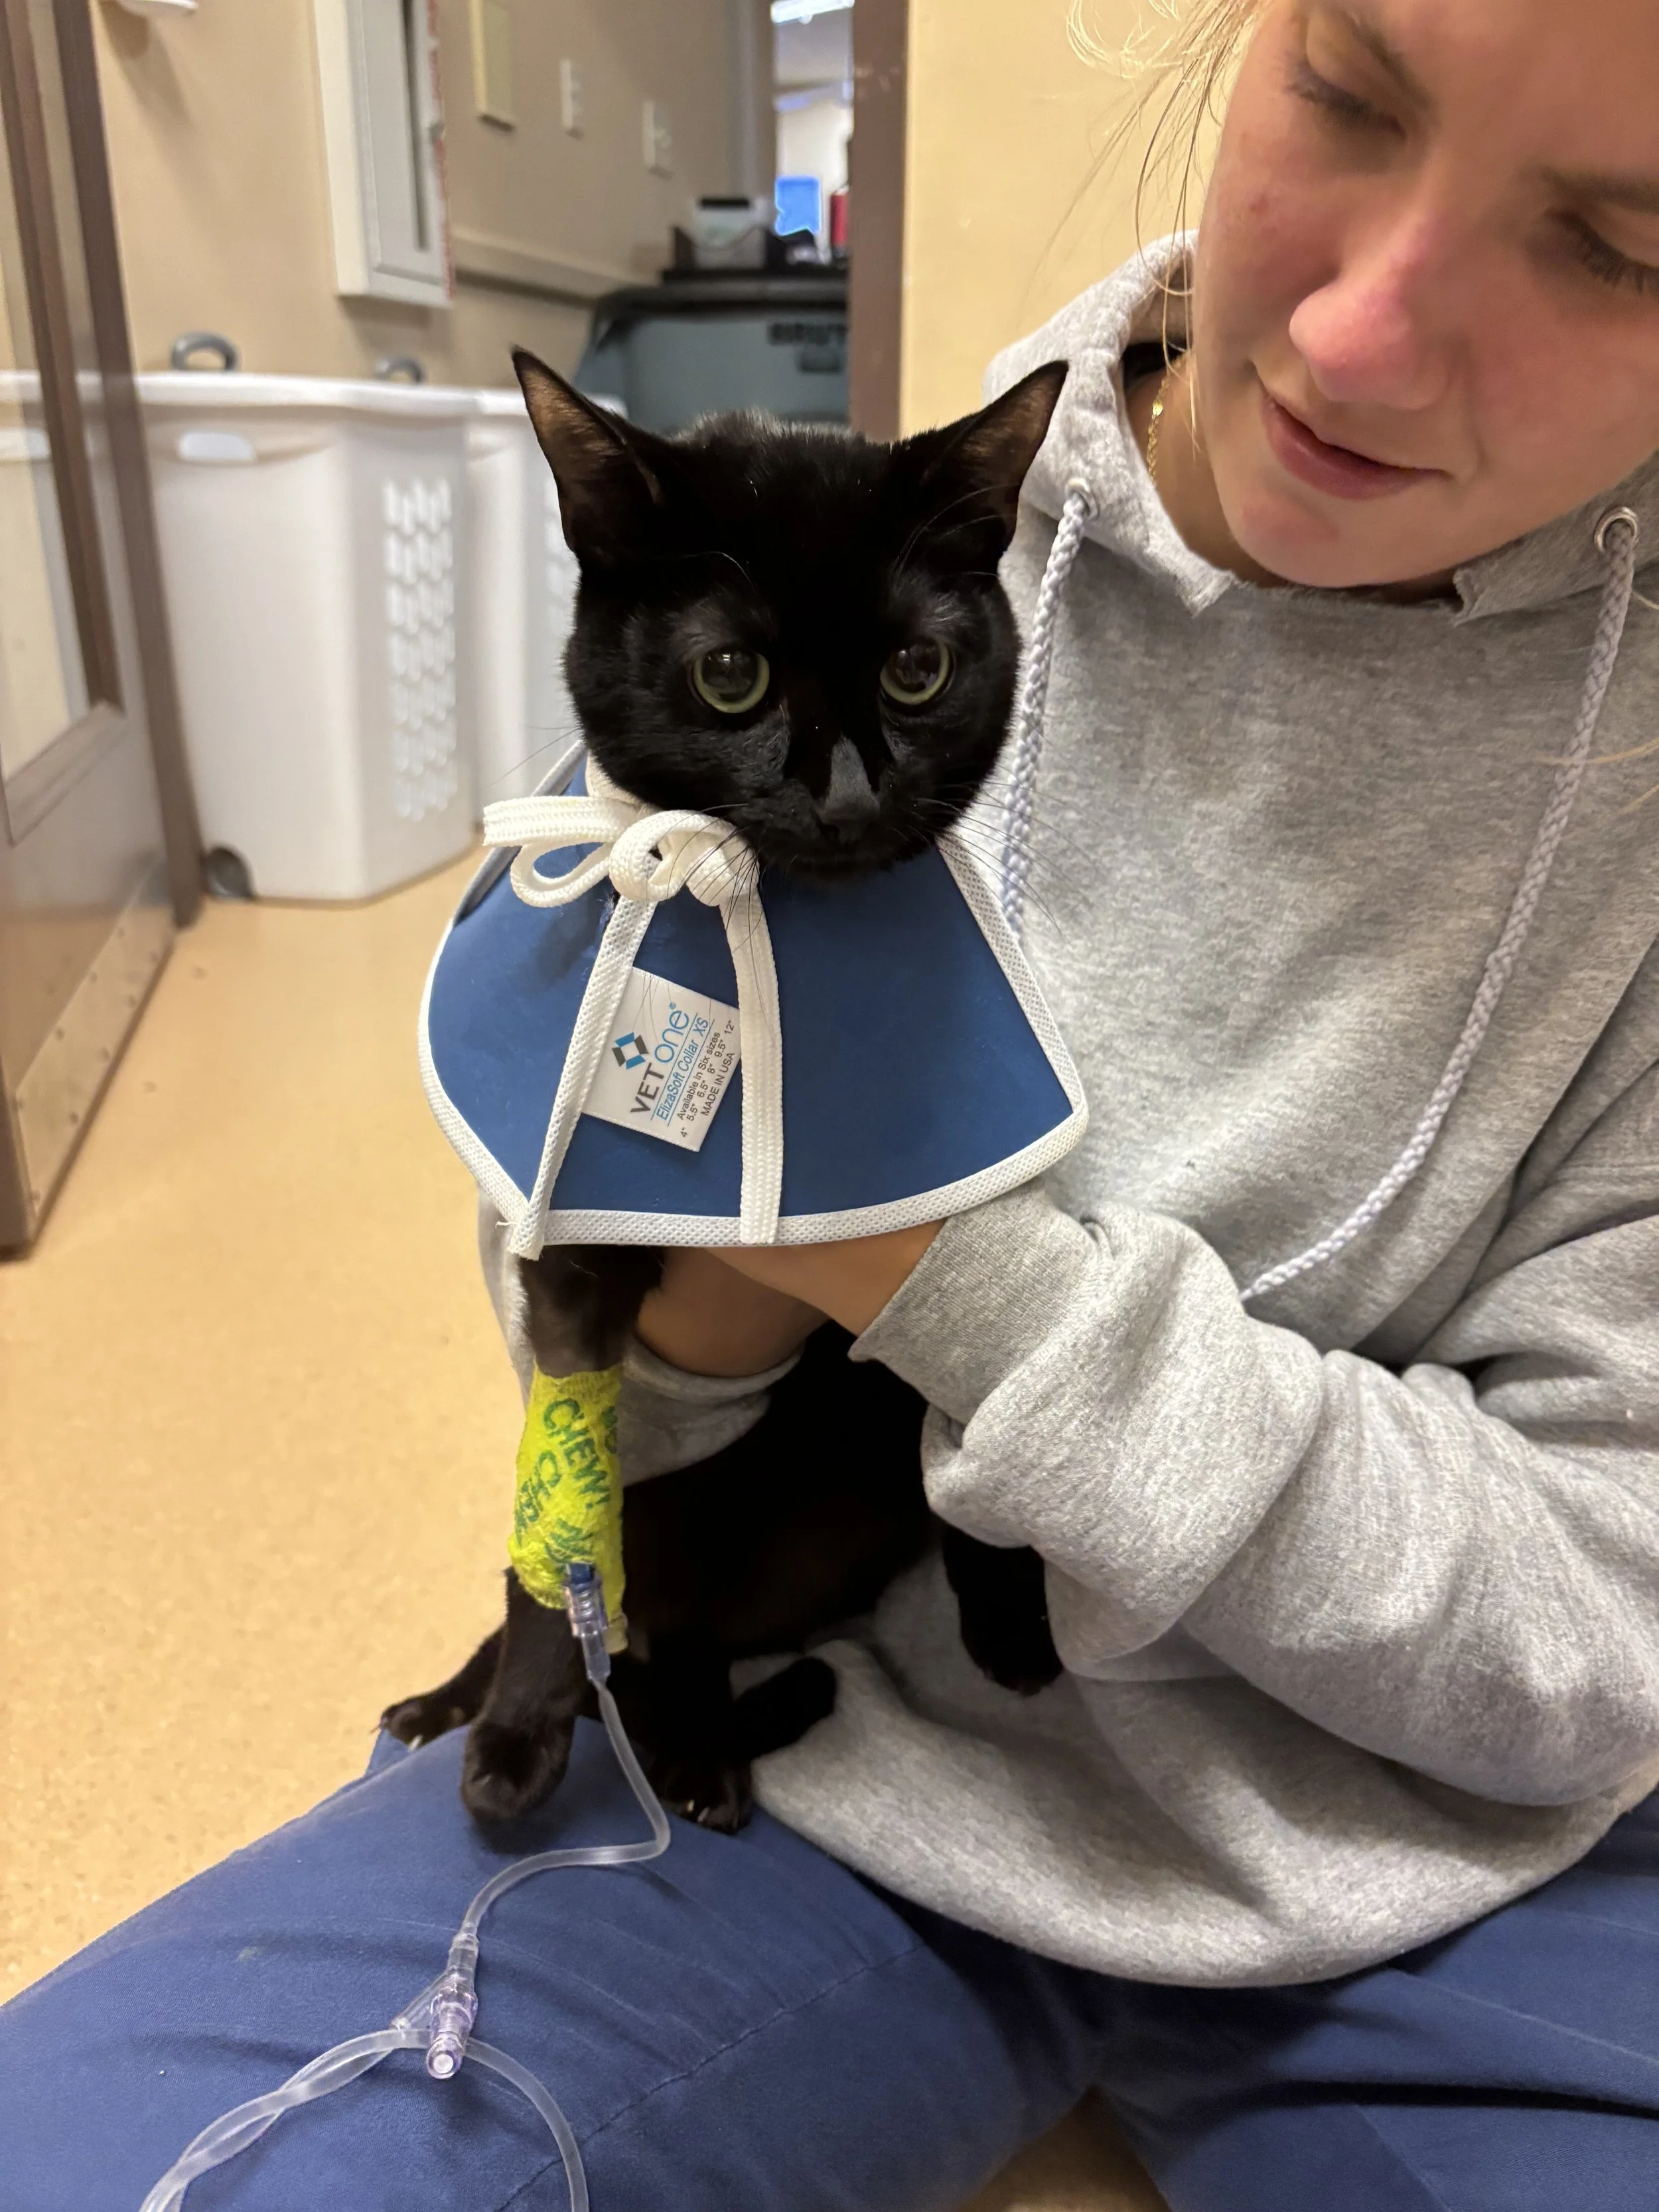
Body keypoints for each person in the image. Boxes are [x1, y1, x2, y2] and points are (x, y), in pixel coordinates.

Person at [8, 1, 1659, 2205]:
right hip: (830, 1758)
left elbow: (1599, 1626)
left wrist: (929, 1270)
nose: (1359, 339)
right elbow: (587, 1350)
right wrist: (664, 1366)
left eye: (1615, 244)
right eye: (1350, 94)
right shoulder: (847, 594)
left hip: (1449, 1849)